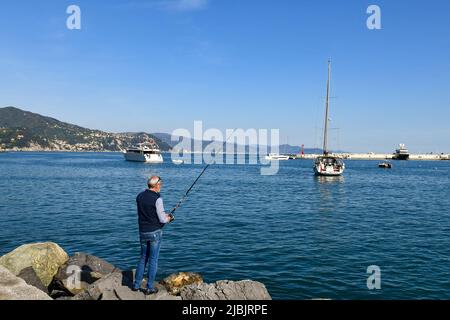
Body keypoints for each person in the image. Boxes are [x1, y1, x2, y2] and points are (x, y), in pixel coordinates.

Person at [132, 176, 174, 295]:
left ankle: (136, 285)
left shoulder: (139, 196)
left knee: (143, 258)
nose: (161, 185)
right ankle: (150, 287)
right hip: (154, 233)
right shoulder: (158, 198)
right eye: (160, 183)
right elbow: (162, 219)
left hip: (143, 231)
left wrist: (164, 216)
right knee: (153, 260)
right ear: (156, 185)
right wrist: (169, 218)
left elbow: (148, 212)